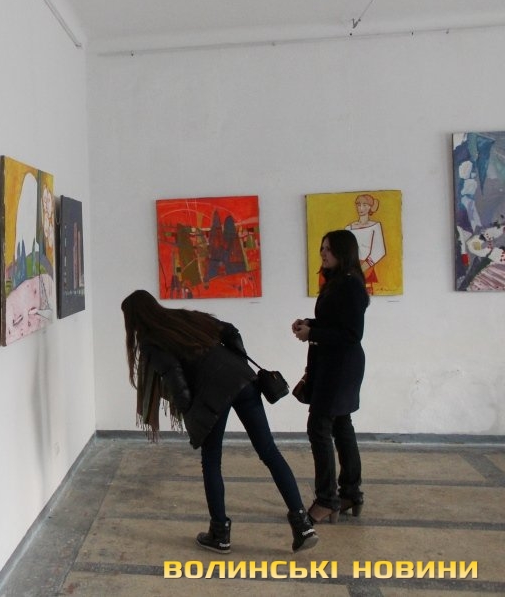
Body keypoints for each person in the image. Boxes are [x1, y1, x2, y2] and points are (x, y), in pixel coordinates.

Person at [122, 290, 318, 554]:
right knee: (269, 451)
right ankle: (303, 525)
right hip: (243, 381)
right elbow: (231, 331)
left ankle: (219, 534)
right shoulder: (184, 316)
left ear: (135, 319)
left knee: (211, 460)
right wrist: (238, 365)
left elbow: (174, 377)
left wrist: (190, 411)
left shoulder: (151, 340)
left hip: (212, 396)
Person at [292, 230, 370, 524]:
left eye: (329, 248)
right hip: (335, 364)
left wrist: (313, 333)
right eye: (322, 248)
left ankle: (327, 499)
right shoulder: (341, 281)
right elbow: (335, 323)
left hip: (340, 367)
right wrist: (309, 324)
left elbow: (352, 333)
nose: (323, 253)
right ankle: (350, 493)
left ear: (343, 251)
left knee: (319, 427)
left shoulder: (349, 284)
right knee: (341, 425)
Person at [345, 194, 386, 295]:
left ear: (370, 207)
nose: (361, 208)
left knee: (364, 295)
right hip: (351, 267)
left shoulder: (375, 226)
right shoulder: (349, 228)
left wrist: (362, 268)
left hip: (367, 267)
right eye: (358, 205)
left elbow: (379, 251)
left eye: (364, 205)